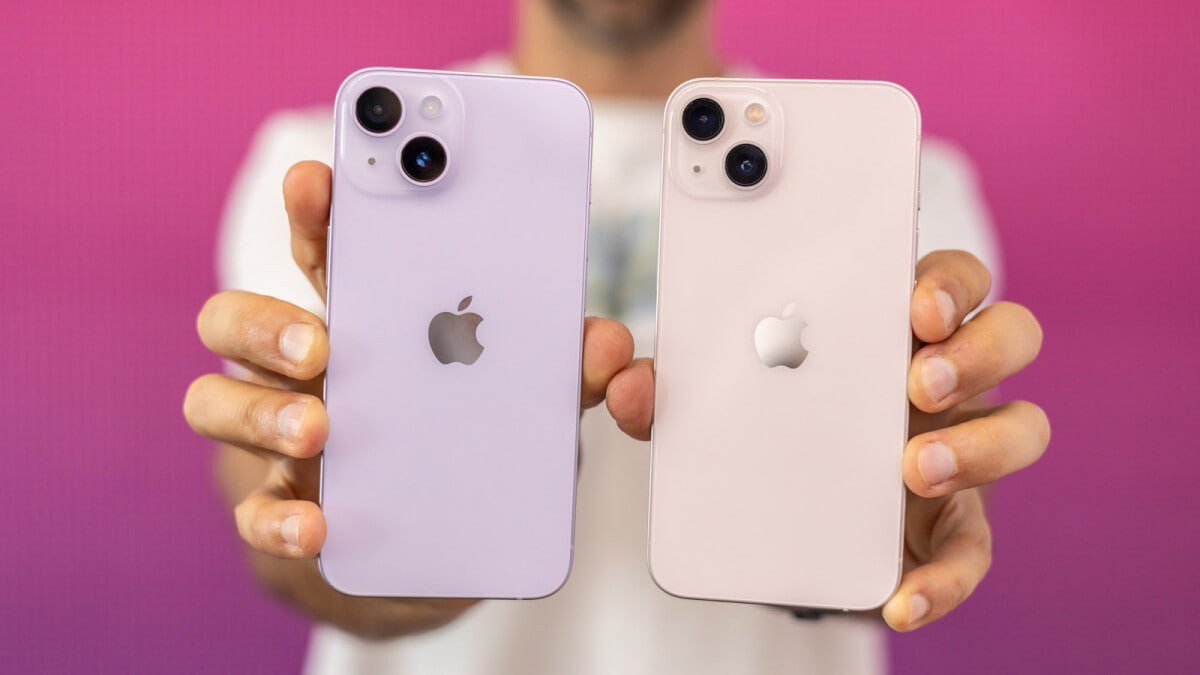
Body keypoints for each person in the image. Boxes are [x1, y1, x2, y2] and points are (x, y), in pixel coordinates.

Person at [183, 0, 1049, 672]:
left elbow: (919, 512)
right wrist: (338, 534)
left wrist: (899, 520)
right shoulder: (329, 165)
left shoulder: (898, 177)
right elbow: (276, 521)